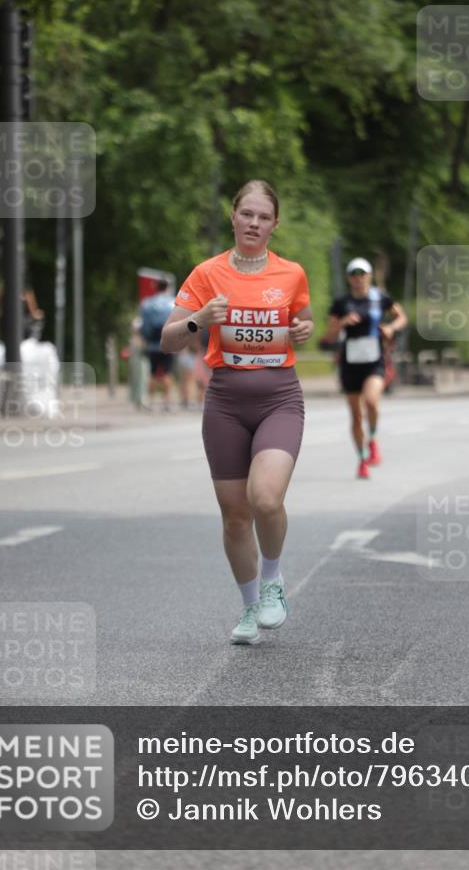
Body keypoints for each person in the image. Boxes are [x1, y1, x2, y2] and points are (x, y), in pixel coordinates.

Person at [160, 180, 314, 644]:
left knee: (265, 498)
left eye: (263, 217)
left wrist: (301, 332)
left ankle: (273, 582)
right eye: (246, 214)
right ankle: (250, 609)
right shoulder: (206, 273)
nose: (253, 223)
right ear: (233, 217)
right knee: (234, 516)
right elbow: (169, 339)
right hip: (225, 402)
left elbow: (298, 324)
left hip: (279, 399)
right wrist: (199, 320)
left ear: (275, 225)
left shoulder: (292, 275)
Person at [322, 257, 408, 478]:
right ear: (349, 278)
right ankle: (361, 460)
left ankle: (373, 440)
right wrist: (342, 323)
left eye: (362, 274)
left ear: (369, 276)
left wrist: (390, 328)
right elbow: (328, 337)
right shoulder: (341, 303)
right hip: (350, 363)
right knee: (356, 416)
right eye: (354, 274)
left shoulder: (380, 298)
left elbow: (401, 318)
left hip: (374, 361)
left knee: (371, 401)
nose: (358, 278)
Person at [139, 279, 176, 411]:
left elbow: (143, 326)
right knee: (167, 372)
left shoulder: (147, 304)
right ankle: (166, 403)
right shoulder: (173, 303)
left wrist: (145, 340)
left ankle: (150, 402)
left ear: (156, 287)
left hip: (152, 344)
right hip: (169, 343)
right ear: (167, 288)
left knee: (153, 373)